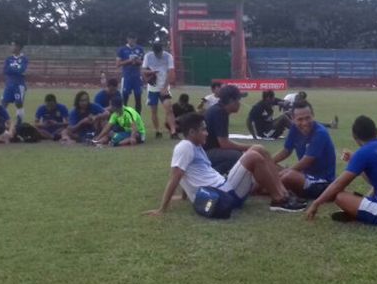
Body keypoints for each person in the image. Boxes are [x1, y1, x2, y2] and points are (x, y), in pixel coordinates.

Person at [144, 112, 307, 216]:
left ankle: (284, 194)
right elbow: (176, 176)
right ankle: (278, 200)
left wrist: (185, 195)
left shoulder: (196, 146)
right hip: (222, 196)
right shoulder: (185, 146)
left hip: (227, 188)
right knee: (252, 156)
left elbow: (188, 175)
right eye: (203, 130)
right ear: (192, 133)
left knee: (257, 148)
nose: (207, 133)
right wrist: (162, 209)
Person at [305, 116, 377, 228]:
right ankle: (360, 210)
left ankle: (358, 214)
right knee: (369, 192)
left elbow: (338, 184)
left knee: (340, 196)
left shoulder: (364, 152)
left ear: (354, 136)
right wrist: (353, 160)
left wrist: (316, 203)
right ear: (376, 131)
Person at [273, 101, 337, 199]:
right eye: (300, 119)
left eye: (308, 118)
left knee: (288, 176)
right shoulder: (294, 128)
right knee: (270, 167)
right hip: (304, 175)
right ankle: (270, 187)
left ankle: (269, 189)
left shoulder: (320, 133)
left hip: (322, 181)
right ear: (293, 119)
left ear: (313, 115)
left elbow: (306, 162)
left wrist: (281, 173)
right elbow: (286, 151)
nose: (305, 123)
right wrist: (268, 163)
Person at [204, 85, 253, 175]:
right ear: (231, 100)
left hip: (207, 151)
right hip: (206, 153)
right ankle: (210, 176)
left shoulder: (218, 110)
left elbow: (223, 142)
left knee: (237, 153)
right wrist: (249, 147)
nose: (240, 103)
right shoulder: (220, 112)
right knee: (236, 156)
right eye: (238, 100)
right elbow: (224, 144)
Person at [142, 42, 176, 139]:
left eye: (159, 52)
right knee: (154, 111)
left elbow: (170, 72)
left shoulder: (168, 56)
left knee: (169, 108)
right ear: (153, 51)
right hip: (152, 88)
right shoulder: (148, 56)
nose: (158, 55)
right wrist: (151, 72)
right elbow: (143, 70)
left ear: (162, 49)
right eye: (156, 53)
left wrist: (165, 87)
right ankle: (157, 131)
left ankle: (173, 132)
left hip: (164, 86)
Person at [116, 34, 145, 114]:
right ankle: (124, 116)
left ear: (136, 39)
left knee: (138, 98)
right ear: (127, 39)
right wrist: (129, 61)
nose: (132, 41)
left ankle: (138, 118)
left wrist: (137, 61)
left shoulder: (140, 49)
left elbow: (144, 62)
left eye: (133, 39)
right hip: (126, 77)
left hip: (137, 77)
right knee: (125, 98)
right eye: (130, 39)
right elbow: (118, 64)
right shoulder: (122, 49)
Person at [2, 41, 28, 126]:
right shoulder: (8, 59)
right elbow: (5, 70)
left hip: (19, 84)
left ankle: (19, 123)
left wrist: (11, 70)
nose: (11, 47)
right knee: (3, 103)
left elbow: (22, 70)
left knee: (19, 104)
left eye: (13, 45)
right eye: (11, 45)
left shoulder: (24, 59)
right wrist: (16, 71)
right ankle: (4, 122)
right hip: (9, 84)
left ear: (18, 47)